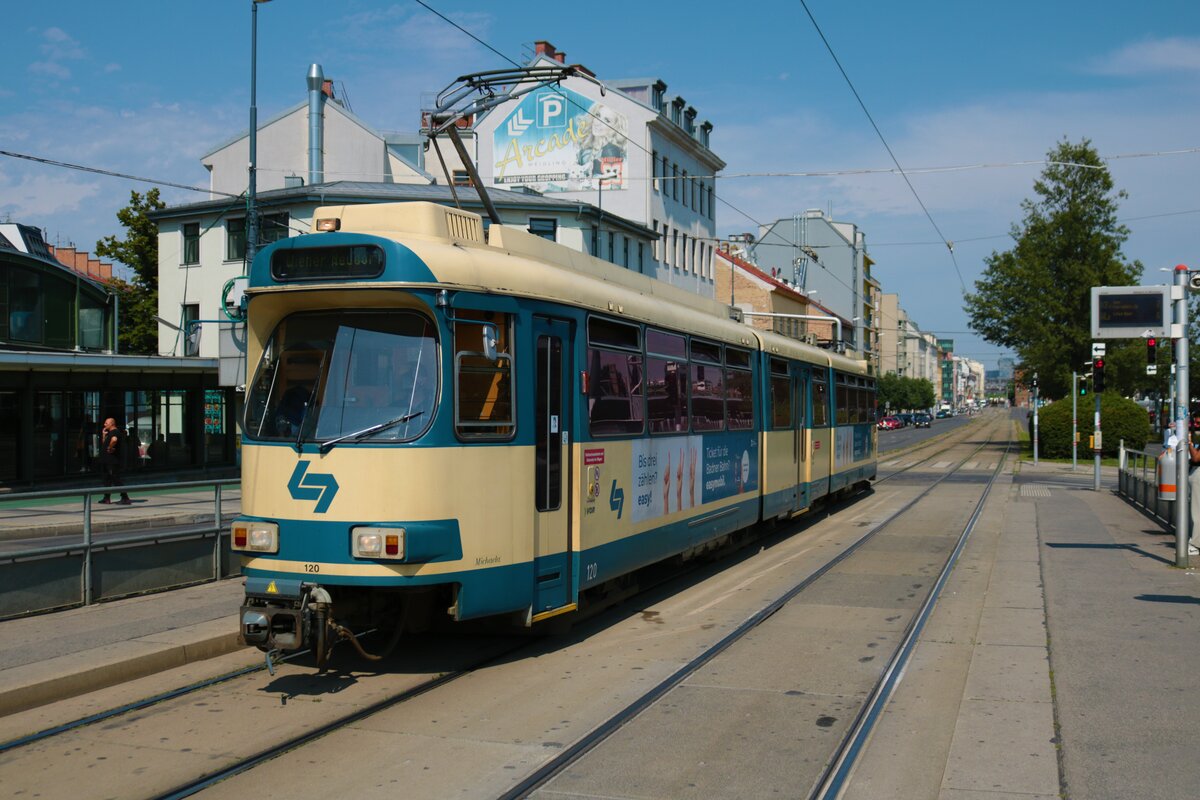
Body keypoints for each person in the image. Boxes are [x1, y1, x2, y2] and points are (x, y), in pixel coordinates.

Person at [99, 417, 131, 505]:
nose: (104, 425)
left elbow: (114, 440)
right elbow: (105, 443)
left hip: (112, 461)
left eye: (106, 423)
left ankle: (125, 497)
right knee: (107, 479)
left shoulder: (115, 432)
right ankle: (106, 498)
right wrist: (104, 435)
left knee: (115, 478)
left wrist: (110, 448)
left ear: (111, 424)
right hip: (107, 460)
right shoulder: (109, 433)